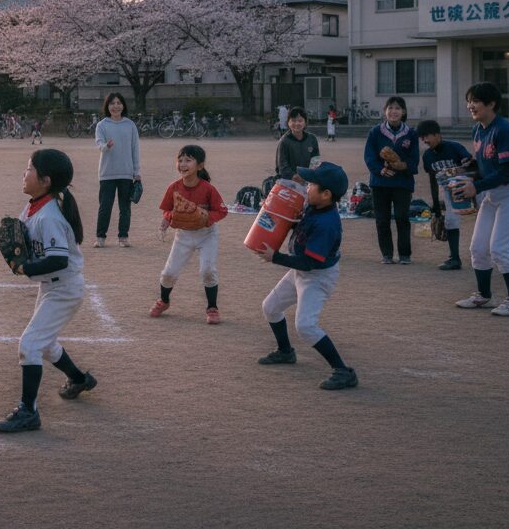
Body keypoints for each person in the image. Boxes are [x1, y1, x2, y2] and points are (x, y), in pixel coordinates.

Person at [0, 149, 97, 433]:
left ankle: (29, 412)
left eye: (29, 169)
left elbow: (58, 259)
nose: (24, 174)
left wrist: (25, 268)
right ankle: (79, 379)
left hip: (64, 289)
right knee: (45, 343)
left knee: (29, 345)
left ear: (46, 180)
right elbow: (19, 236)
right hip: (53, 286)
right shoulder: (35, 205)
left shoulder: (49, 215)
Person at [252, 161, 358, 391]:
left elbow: (309, 263)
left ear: (326, 194)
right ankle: (285, 351)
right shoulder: (315, 206)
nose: (306, 187)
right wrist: (274, 209)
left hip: (318, 276)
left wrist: (275, 257)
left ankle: (343, 371)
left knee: (306, 326)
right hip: (302, 269)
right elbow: (297, 227)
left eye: (311, 184)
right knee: (270, 307)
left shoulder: (327, 224)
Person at [452, 82, 509, 317]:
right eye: (469, 101)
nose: (470, 105)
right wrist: (468, 170)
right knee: (478, 248)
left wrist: (476, 186)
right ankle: (484, 296)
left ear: (491, 104)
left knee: (500, 248)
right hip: (494, 192)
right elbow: (485, 166)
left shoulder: (504, 130)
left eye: (476, 101)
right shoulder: (478, 129)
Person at [151, 145, 229, 323]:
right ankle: (164, 301)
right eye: (180, 160)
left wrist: (205, 218)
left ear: (200, 166)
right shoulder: (174, 187)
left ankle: (212, 308)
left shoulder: (208, 188)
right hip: (184, 235)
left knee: (207, 270)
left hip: (206, 234)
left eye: (188, 160)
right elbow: (167, 210)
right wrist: (168, 218)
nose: (183, 164)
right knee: (169, 273)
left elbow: (222, 211)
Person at [363, 96, 420, 264]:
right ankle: (387, 254)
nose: (394, 111)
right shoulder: (375, 132)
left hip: (402, 182)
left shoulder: (411, 133)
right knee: (382, 219)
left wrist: (403, 165)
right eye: (390, 108)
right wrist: (380, 170)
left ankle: (405, 255)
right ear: (384, 111)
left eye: (397, 108)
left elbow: (414, 159)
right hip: (380, 182)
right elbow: (369, 157)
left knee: (402, 217)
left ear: (403, 112)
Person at [417, 119, 473, 271]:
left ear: (437, 134)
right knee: (451, 222)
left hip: (468, 187)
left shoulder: (454, 147)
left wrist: (466, 162)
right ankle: (454, 259)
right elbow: (433, 180)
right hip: (449, 191)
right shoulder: (427, 156)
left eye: (426, 136)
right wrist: (435, 204)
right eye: (421, 137)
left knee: (486, 218)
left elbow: (471, 166)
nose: (424, 140)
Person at [92, 92, 141, 248]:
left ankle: (123, 237)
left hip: (126, 172)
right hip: (107, 173)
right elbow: (99, 145)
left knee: (125, 207)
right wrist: (107, 146)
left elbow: (135, 149)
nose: (116, 106)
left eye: (119, 102)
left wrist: (136, 171)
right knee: (105, 206)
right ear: (107, 106)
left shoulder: (130, 125)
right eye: (112, 103)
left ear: (123, 105)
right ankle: (100, 238)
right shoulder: (102, 125)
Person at [276, 106, 321, 183]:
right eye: (293, 121)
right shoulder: (284, 141)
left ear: (305, 122)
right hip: (289, 182)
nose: (297, 124)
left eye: (300, 121)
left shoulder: (312, 139)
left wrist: (310, 175)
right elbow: (282, 166)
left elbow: (315, 160)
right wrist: (294, 176)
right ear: (288, 123)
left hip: (308, 180)